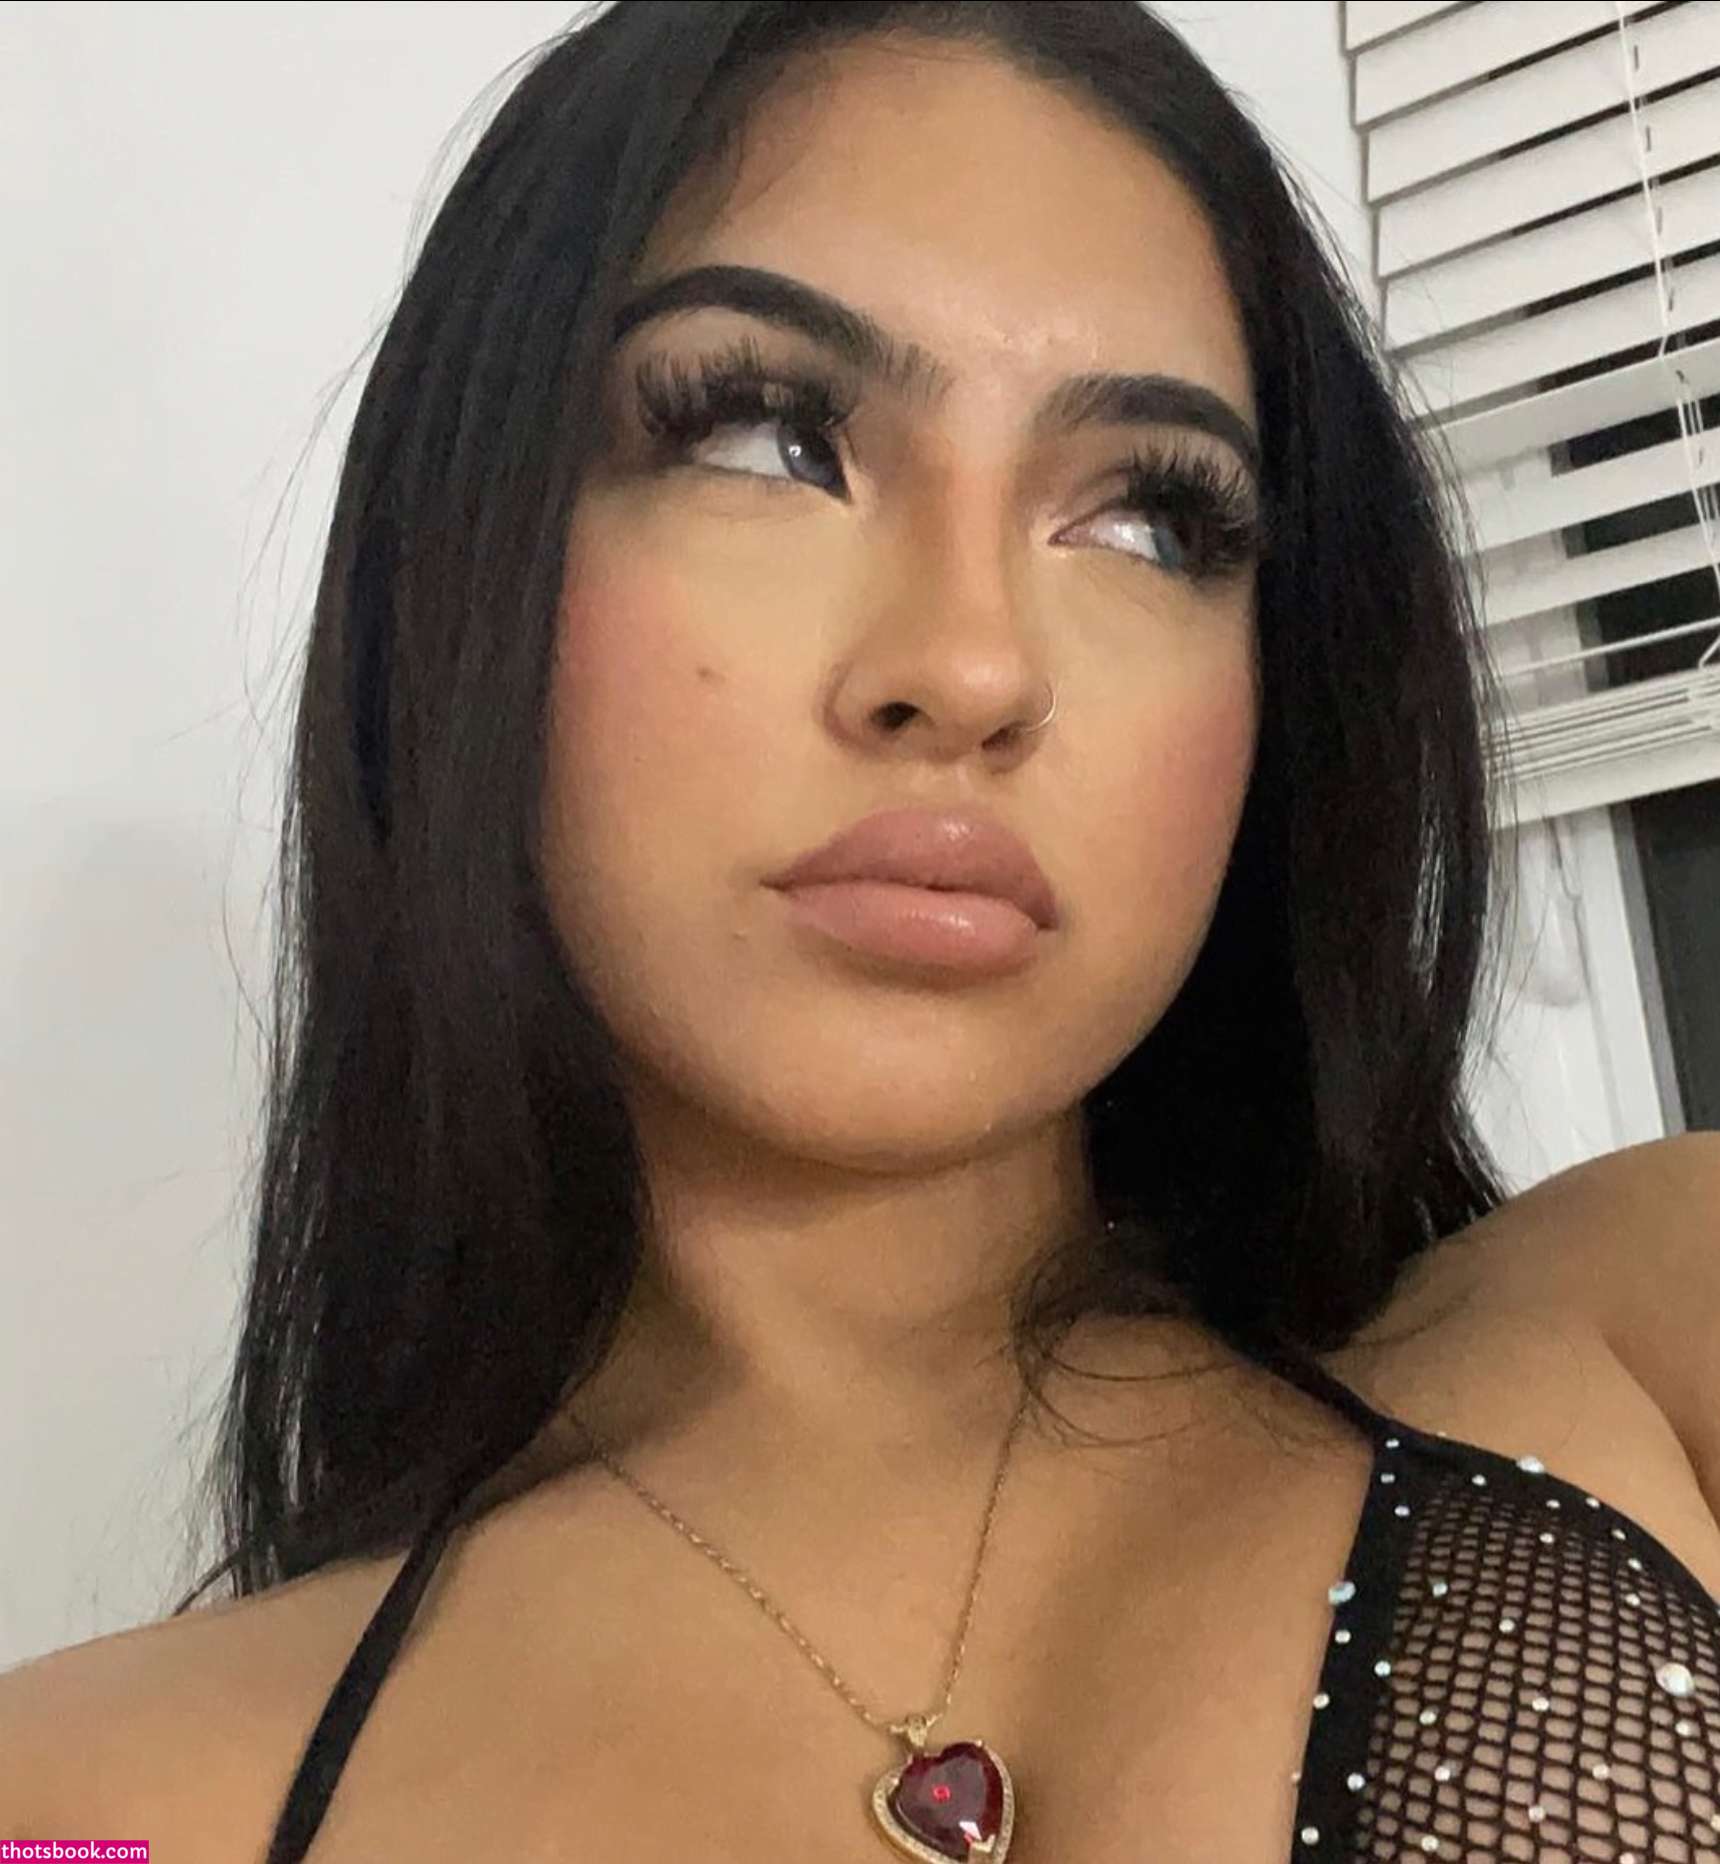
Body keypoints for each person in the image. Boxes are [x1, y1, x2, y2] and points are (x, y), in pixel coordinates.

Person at [3, 3, 1718, 1859]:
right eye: (766, 437)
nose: (971, 667)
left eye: (1154, 521)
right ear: (467, 555)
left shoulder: (1654, 1319)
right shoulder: (79, 1804)